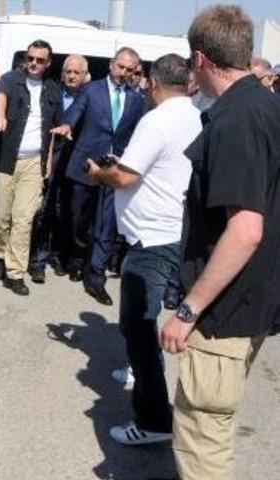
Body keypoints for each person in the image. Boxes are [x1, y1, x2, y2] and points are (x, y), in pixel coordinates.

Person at [158, 6, 280, 479]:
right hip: (250, 302)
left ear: (200, 59)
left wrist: (188, 310)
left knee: (203, 440)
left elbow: (246, 229)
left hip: (224, 313)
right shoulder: (264, 105)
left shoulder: (237, 119)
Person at [87, 54, 202, 446]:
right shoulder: (192, 113)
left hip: (152, 239)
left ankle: (154, 421)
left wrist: (98, 172)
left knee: (137, 325)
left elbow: (122, 177)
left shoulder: (157, 119)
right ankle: (140, 373)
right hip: (170, 231)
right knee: (142, 320)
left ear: (152, 84)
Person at [51, 46, 146, 306]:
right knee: (77, 220)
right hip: (85, 165)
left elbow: (139, 133)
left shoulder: (137, 99)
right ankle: (77, 259)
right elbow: (76, 111)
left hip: (114, 169)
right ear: (111, 65)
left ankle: (96, 278)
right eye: (120, 67)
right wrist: (67, 125)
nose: (124, 73)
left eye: (129, 69)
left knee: (106, 226)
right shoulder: (90, 90)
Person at [0, 40, 62, 295]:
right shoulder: (10, 79)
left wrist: (48, 163)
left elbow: (52, 131)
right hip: (4, 160)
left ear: (48, 63)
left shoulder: (53, 89)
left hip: (34, 162)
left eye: (40, 60)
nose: (34, 63)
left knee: (23, 219)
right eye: (31, 58)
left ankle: (15, 271)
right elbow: (0, 99)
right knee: (1, 217)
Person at [28, 54, 89, 278]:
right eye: (68, 71)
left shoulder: (89, 95)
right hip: (52, 159)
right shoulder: (52, 92)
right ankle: (38, 261)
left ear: (84, 76)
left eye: (77, 72)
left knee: (69, 213)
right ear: (62, 73)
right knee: (45, 211)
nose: (72, 76)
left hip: (77, 163)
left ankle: (59, 256)